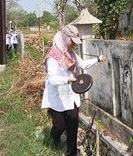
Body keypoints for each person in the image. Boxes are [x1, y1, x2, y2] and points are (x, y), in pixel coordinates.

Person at [41, 24, 105, 156]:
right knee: (60, 126)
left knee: (73, 123)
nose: (73, 45)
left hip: (70, 95)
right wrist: (67, 80)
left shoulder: (71, 53)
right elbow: (52, 79)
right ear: (65, 38)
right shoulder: (53, 56)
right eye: (72, 41)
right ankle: (55, 136)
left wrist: (97, 59)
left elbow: (82, 64)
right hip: (57, 96)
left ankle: (71, 152)